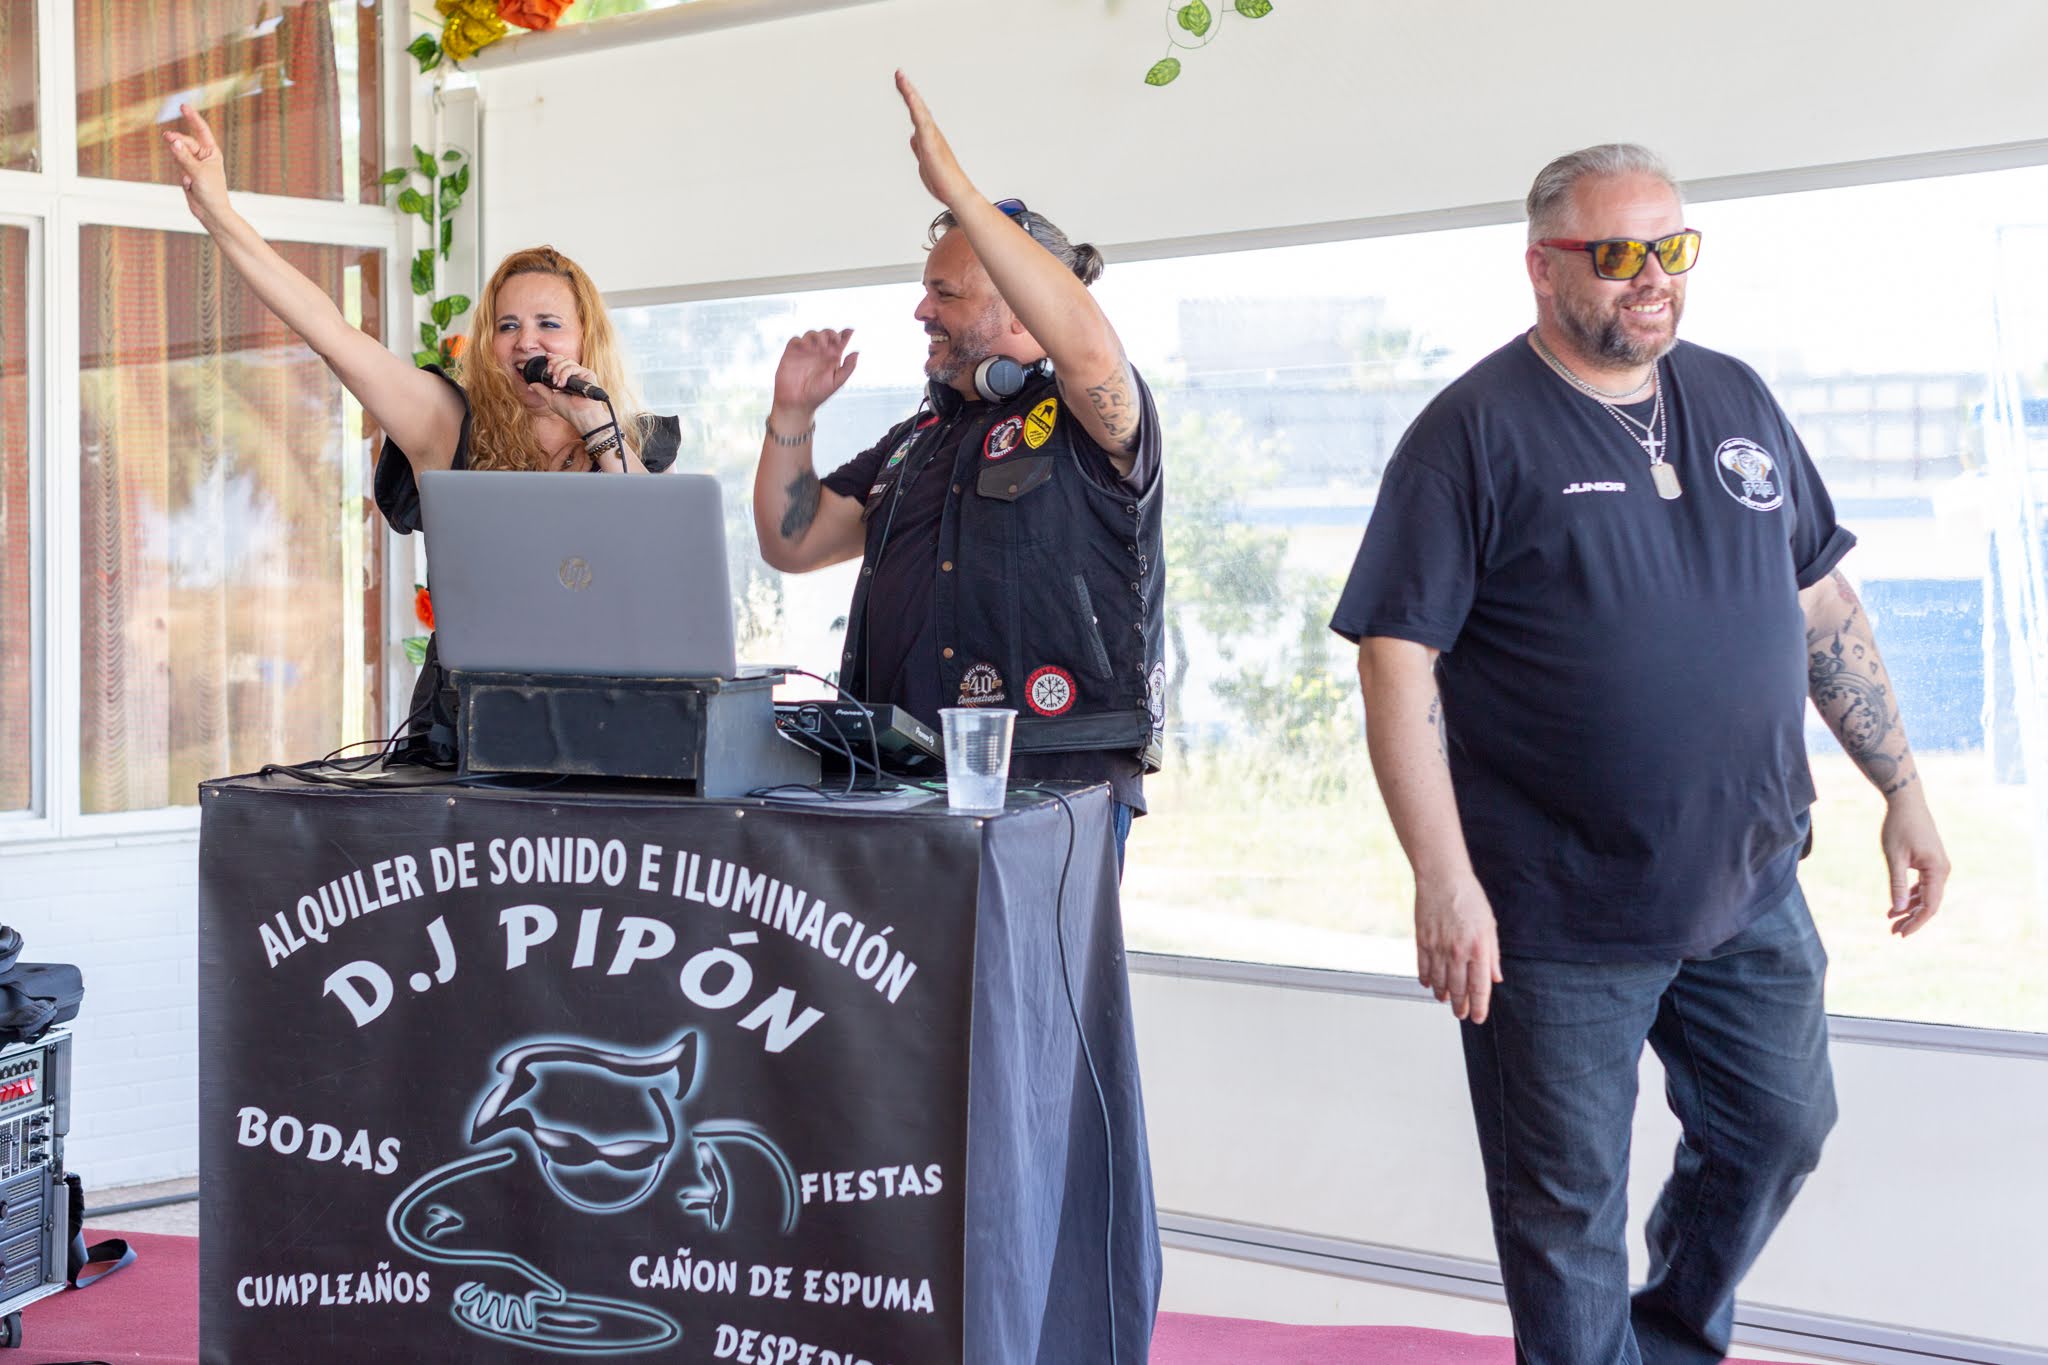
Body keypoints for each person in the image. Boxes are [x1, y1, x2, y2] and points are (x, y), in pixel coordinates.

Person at [1331, 143, 1950, 1362]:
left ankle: (1663, 1342)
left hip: (1747, 888)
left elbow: (1820, 605)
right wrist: (1442, 881)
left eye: (1671, 247)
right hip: (1555, 912)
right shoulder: (1468, 434)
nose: (1651, 276)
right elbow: (1394, 663)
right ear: (1541, 267)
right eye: (1617, 254)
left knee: (1778, 1128)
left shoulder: (1733, 396)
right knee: (1563, 1215)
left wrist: (1902, 788)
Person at [164, 105, 680, 760]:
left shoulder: (632, 444)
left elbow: (659, 569)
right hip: (464, 735)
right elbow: (331, 333)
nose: (527, 341)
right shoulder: (446, 422)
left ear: (585, 339)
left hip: (600, 727)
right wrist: (219, 213)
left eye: (549, 324)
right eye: (508, 325)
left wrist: (595, 427)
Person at [751, 74, 1166, 861]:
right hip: (898, 782)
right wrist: (793, 416)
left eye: (945, 293)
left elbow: (1084, 343)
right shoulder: (916, 438)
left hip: (1051, 783)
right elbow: (790, 541)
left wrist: (960, 195)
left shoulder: (1084, 415)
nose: (921, 311)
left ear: (1020, 308)